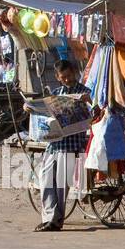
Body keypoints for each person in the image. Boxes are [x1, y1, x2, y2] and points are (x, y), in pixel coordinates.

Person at [34, 58, 90, 233]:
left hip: (72, 145)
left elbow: (94, 112)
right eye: (63, 77)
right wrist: (31, 108)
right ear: (58, 77)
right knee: (45, 180)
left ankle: (55, 221)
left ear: (74, 72)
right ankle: (49, 217)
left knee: (60, 185)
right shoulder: (56, 94)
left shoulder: (85, 91)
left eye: (69, 76)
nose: (67, 79)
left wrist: (88, 102)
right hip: (54, 144)